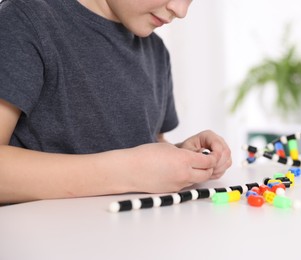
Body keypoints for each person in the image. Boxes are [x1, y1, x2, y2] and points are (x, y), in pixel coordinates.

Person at [0, 0, 232, 204]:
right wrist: (131, 170)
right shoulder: (24, 20)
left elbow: (150, 143)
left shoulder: (156, 52)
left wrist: (183, 159)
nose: (181, 10)